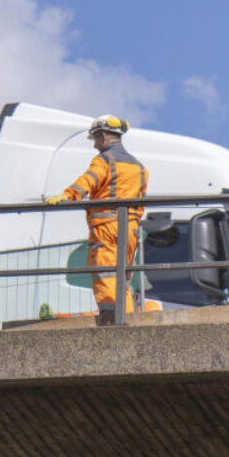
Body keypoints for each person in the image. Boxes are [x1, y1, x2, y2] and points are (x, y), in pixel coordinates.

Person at [46, 115, 147, 325]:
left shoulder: (104, 160)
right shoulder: (140, 168)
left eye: (95, 139)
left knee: (105, 275)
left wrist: (68, 195)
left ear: (103, 136)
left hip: (107, 228)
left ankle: (113, 323)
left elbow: (89, 180)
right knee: (121, 279)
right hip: (131, 231)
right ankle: (128, 319)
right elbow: (140, 202)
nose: (94, 145)